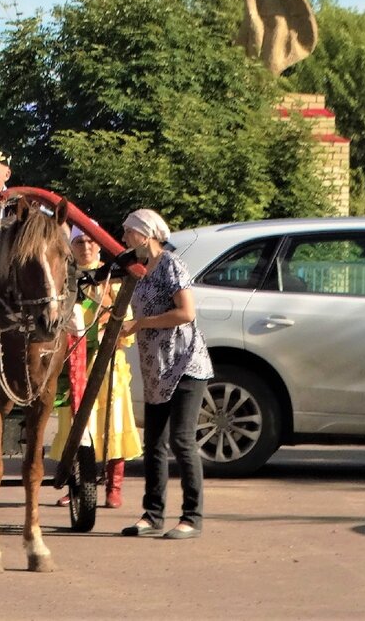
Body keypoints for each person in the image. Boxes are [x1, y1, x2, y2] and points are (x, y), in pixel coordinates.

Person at [119, 208, 213, 541]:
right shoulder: (142, 271)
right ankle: (153, 514)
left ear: (146, 234)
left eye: (129, 232)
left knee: (182, 440)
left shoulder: (172, 265)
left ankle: (192, 517)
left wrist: (141, 323)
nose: (125, 238)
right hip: (157, 367)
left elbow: (186, 312)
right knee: (154, 443)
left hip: (185, 363)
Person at [49, 226, 142, 509]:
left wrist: (106, 336)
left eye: (90, 241)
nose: (86, 247)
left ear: (99, 246)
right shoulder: (62, 278)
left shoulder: (112, 279)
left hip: (107, 363)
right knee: (75, 426)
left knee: (114, 423)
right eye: (79, 242)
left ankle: (114, 487)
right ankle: (77, 483)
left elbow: (125, 322)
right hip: (73, 361)